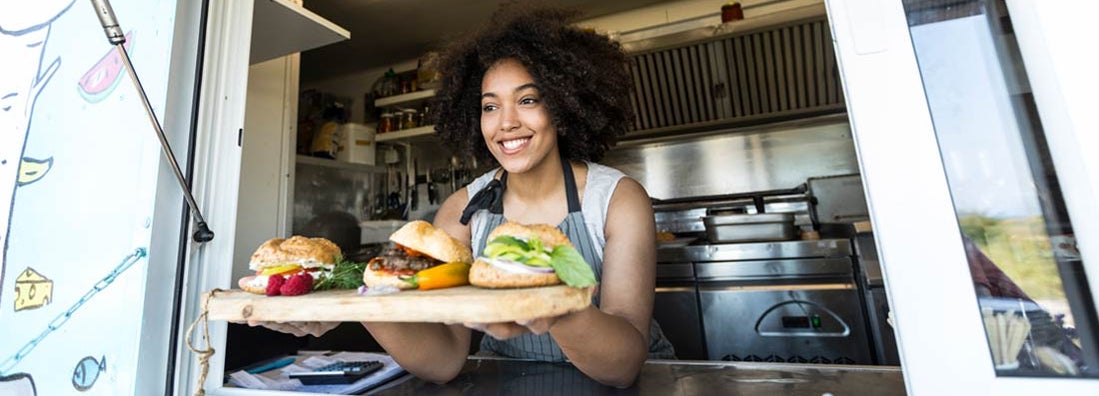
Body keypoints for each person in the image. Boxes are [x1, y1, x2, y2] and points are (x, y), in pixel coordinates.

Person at [252, 6, 675, 387]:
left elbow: (623, 367)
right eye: (490, 107)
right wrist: (360, 303)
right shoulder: (462, 211)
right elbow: (445, 358)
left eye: (528, 100)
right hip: (507, 382)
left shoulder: (617, 199)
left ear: (565, 106)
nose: (506, 123)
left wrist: (555, 305)